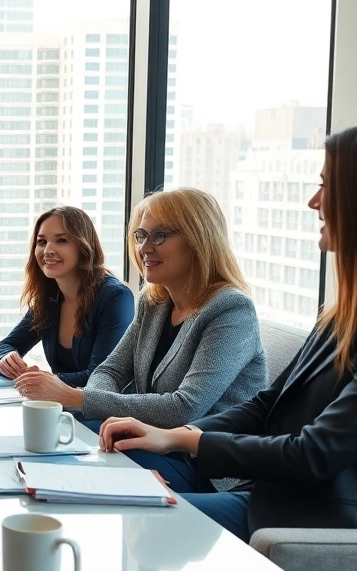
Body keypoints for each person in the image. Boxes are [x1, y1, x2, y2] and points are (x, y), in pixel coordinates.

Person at [100, 120, 357, 541]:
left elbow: (316, 453)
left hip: (337, 532)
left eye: (327, 185)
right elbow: (268, 405)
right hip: (279, 502)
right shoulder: (348, 313)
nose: (315, 202)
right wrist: (176, 435)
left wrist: (187, 444)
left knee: (138, 520)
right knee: (121, 504)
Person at [18, 188, 266, 449]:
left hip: (204, 462)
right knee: (65, 434)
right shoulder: (154, 302)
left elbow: (184, 407)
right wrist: (93, 405)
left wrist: (77, 398)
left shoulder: (231, 309)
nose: (144, 248)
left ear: (198, 240)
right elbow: (110, 370)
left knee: (74, 439)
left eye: (159, 235)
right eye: (141, 236)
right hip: (151, 440)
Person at [0, 206, 133, 396]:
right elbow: (6, 345)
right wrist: (4, 359)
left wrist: (42, 380)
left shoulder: (115, 297)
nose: (48, 250)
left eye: (61, 240)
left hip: (104, 413)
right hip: (60, 406)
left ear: (83, 246)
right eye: (41, 242)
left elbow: (100, 377)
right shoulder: (50, 297)